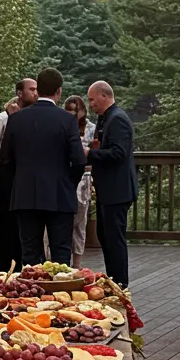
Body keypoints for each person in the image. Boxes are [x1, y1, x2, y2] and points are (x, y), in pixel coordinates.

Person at [0, 66, 85, 265]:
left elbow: (5, 160)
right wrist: (67, 183)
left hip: (25, 195)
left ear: (38, 90)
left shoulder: (17, 119)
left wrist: (19, 182)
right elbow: (79, 160)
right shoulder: (67, 120)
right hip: (59, 195)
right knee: (61, 254)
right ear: (59, 91)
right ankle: (59, 285)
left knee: (29, 255)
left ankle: (31, 285)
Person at [0, 78, 38, 271]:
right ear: (19, 93)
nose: (35, 93)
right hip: (9, 178)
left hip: (28, 177)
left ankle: (26, 266)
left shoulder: (33, 117)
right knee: (8, 223)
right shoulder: (1, 119)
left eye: (37, 89)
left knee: (27, 223)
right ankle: (5, 268)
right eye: (31, 89)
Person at [87, 80, 137, 288]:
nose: (90, 104)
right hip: (108, 190)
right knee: (105, 236)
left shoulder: (117, 119)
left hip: (118, 190)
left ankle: (120, 284)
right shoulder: (106, 118)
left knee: (114, 239)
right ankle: (112, 280)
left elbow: (119, 153)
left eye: (92, 99)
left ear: (104, 95)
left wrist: (90, 154)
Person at [64, 95, 97, 269]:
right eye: (69, 109)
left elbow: (95, 152)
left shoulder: (91, 128)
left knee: (80, 221)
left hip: (84, 177)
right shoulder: (61, 126)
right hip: (65, 176)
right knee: (63, 220)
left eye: (76, 110)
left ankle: (77, 263)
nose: (73, 113)